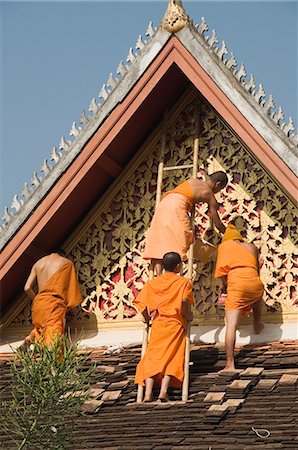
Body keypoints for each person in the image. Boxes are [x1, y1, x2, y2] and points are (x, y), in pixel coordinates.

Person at [134, 252, 194, 402]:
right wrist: (188, 316)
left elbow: (141, 303)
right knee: (172, 357)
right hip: (175, 324)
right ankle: (163, 391)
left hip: (158, 324)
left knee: (152, 358)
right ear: (179, 266)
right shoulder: (183, 282)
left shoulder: (152, 283)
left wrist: (147, 318)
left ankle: (147, 393)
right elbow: (185, 301)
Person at [143, 171, 228, 275]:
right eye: (220, 189)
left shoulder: (193, 181)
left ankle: (159, 275)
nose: (218, 192)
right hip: (177, 208)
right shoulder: (209, 195)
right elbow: (218, 223)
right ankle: (168, 277)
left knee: (160, 241)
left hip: (164, 204)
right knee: (179, 241)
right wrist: (230, 233)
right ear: (218, 184)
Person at [214, 224, 264, 373]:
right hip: (254, 281)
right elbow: (257, 269)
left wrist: (225, 286)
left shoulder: (224, 247)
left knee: (231, 326)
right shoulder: (251, 246)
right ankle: (256, 323)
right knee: (258, 294)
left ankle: (230, 364)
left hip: (236, 282)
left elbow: (222, 274)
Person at [19, 249, 82, 349]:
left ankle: (30, 338)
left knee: (40, 328)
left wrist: (37, 300)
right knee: (53, 334)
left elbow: (27, 288)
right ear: (63, 255)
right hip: (54, 303)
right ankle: (52, 359)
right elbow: (70, 288)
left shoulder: (38, 263)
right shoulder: (66, 263)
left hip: (39, 304)